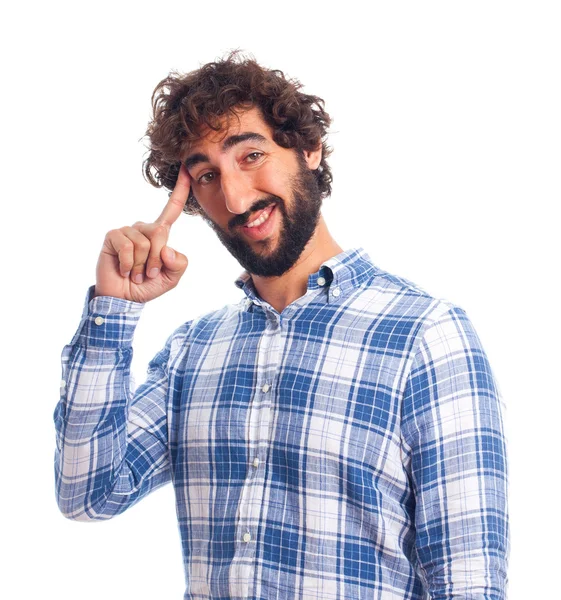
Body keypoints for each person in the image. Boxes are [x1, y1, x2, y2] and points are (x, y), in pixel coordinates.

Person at [54, 53, 509, 599]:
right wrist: (114, 310)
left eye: (251, 154)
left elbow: (470, 583)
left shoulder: (427, 337)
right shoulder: (193, 352)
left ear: (308, 148)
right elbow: (86, 492)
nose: (236, 198)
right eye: (206, 176)